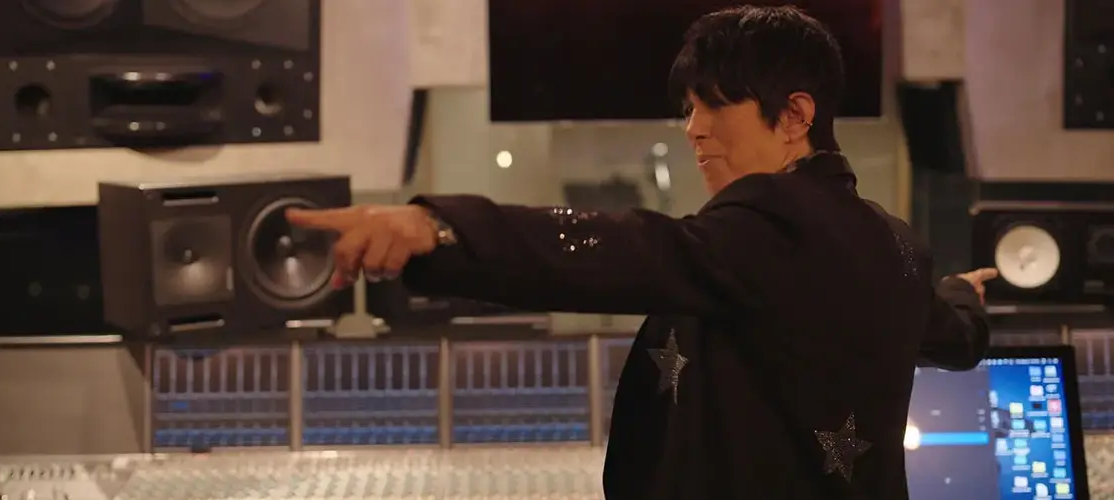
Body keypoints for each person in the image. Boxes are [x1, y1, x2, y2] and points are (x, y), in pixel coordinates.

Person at [286, 5, 994, 499]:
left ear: (794, 116)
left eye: (712, 106)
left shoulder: (767, 229)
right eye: (689, 110)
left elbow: (630, 248)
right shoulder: (896, 244)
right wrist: (963, 292)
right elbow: (953, 334)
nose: (693, 130)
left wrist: (442, 229)